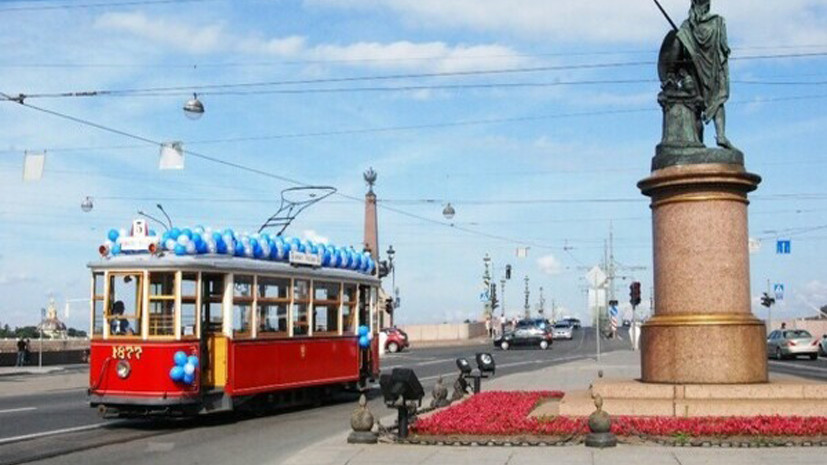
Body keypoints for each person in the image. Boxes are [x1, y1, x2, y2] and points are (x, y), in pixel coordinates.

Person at [676, 0, 733, 149]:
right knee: (716, 100)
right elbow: (724, 50)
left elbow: (677, 57)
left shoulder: (686, 27)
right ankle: (720, 135)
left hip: (696, 71)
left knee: (696, 104)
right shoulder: (717, 22)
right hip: (712, 71)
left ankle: (698, 141)